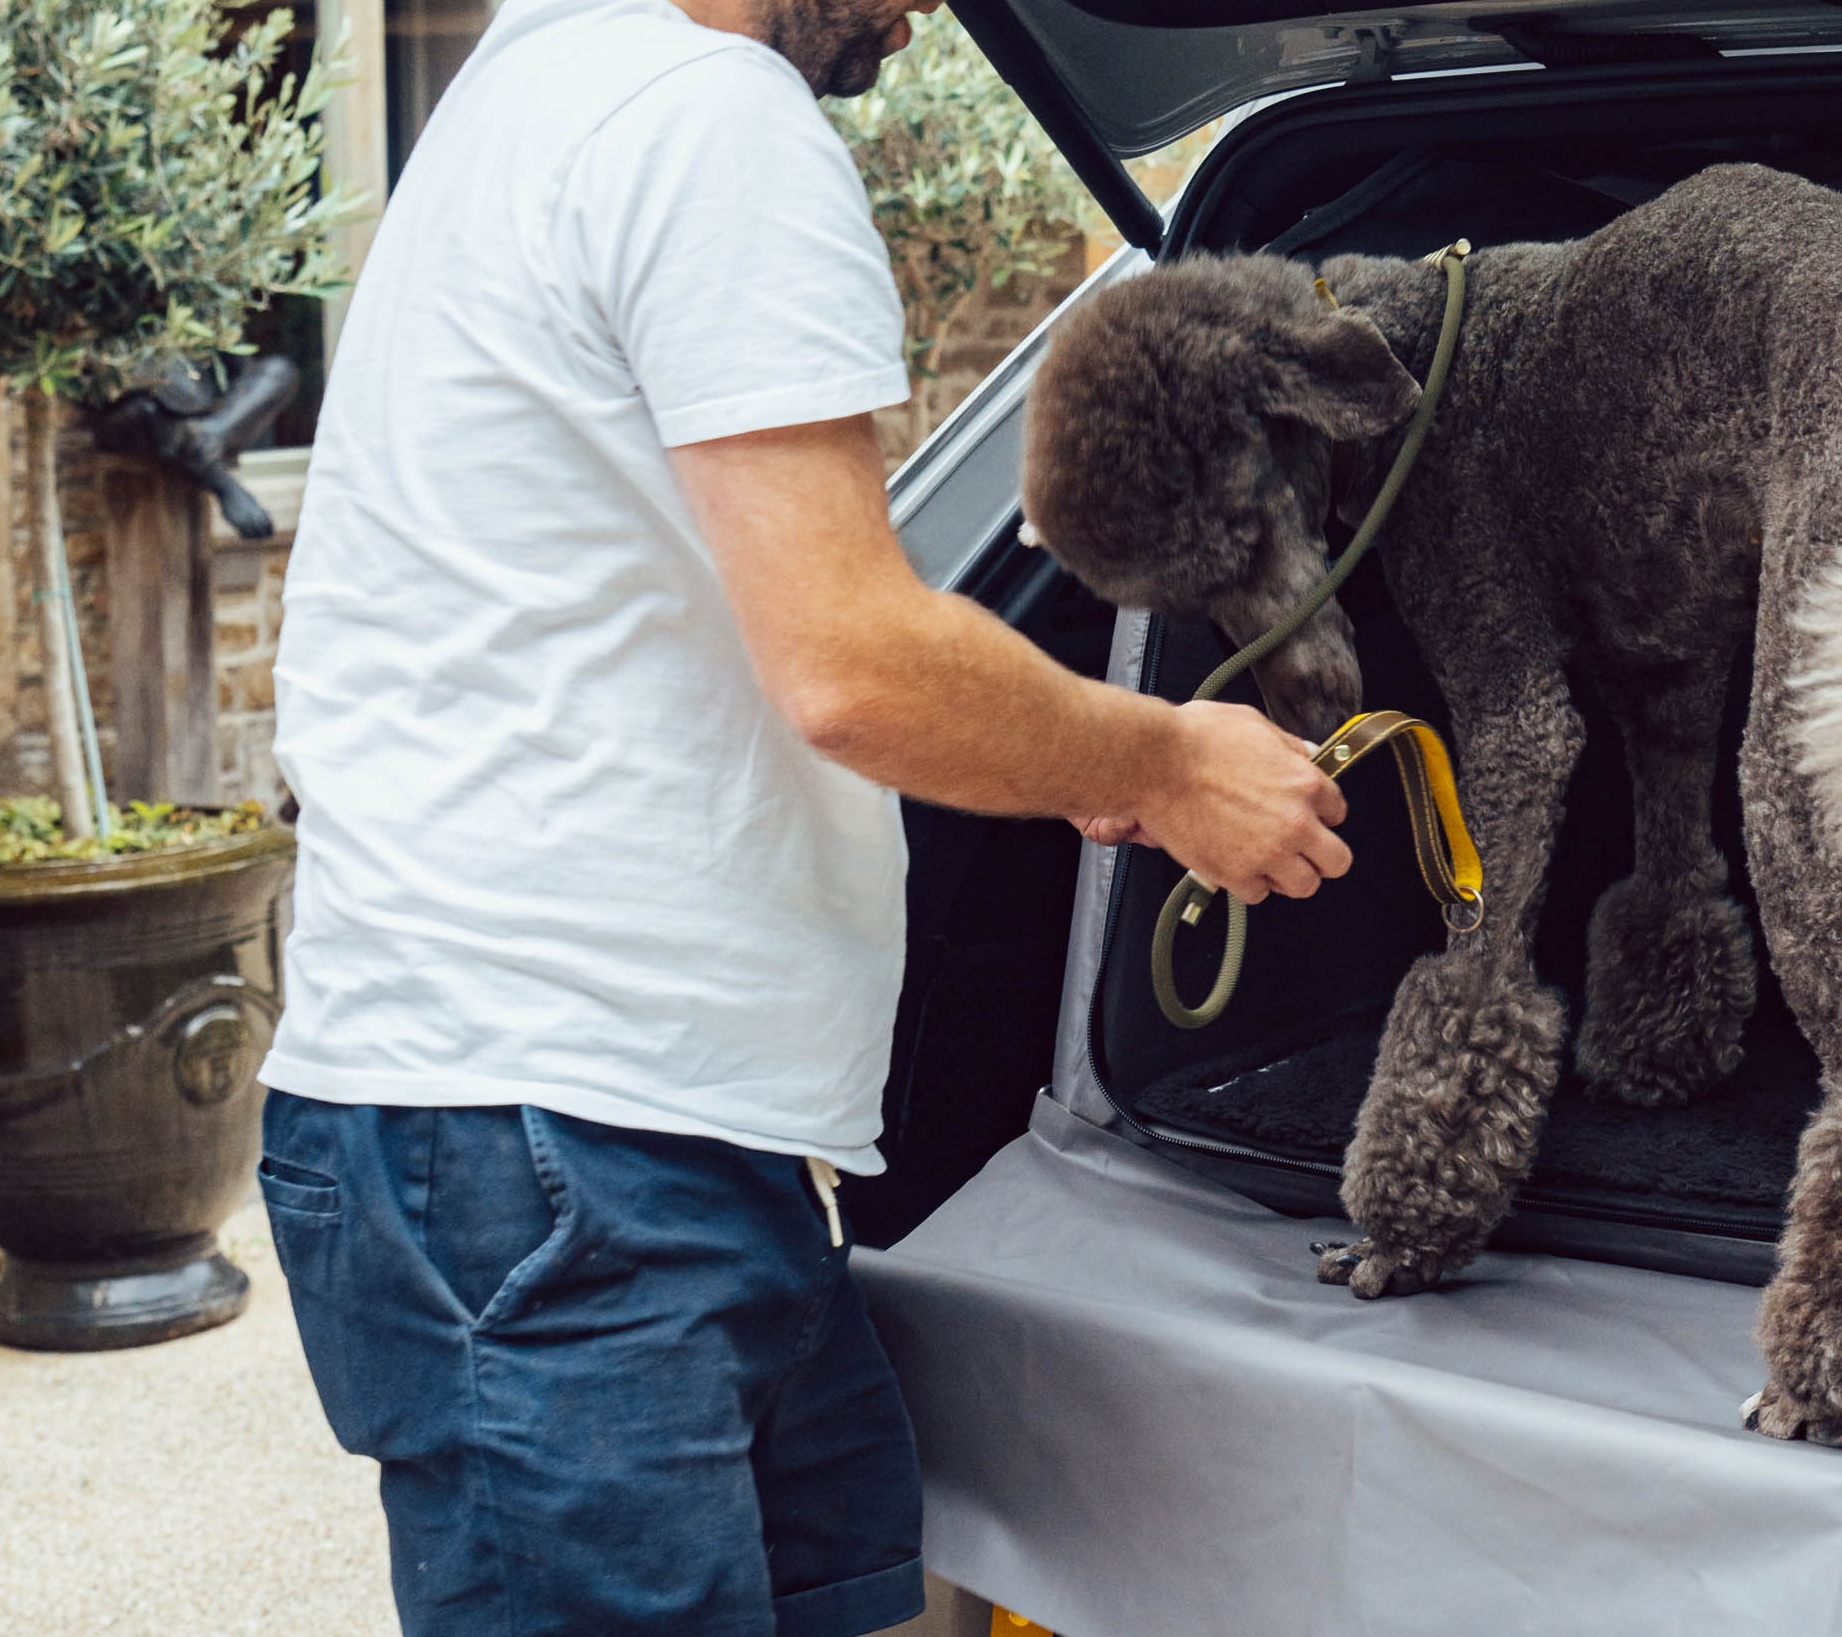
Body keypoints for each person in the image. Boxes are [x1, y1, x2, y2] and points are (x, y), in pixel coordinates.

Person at [249, 0, 1350, 1632]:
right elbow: (852, 661)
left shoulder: (535, 82)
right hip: (562, 1154)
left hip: (605, 1136)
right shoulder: (708, 115)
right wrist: (1168, 765)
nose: (922, 12)